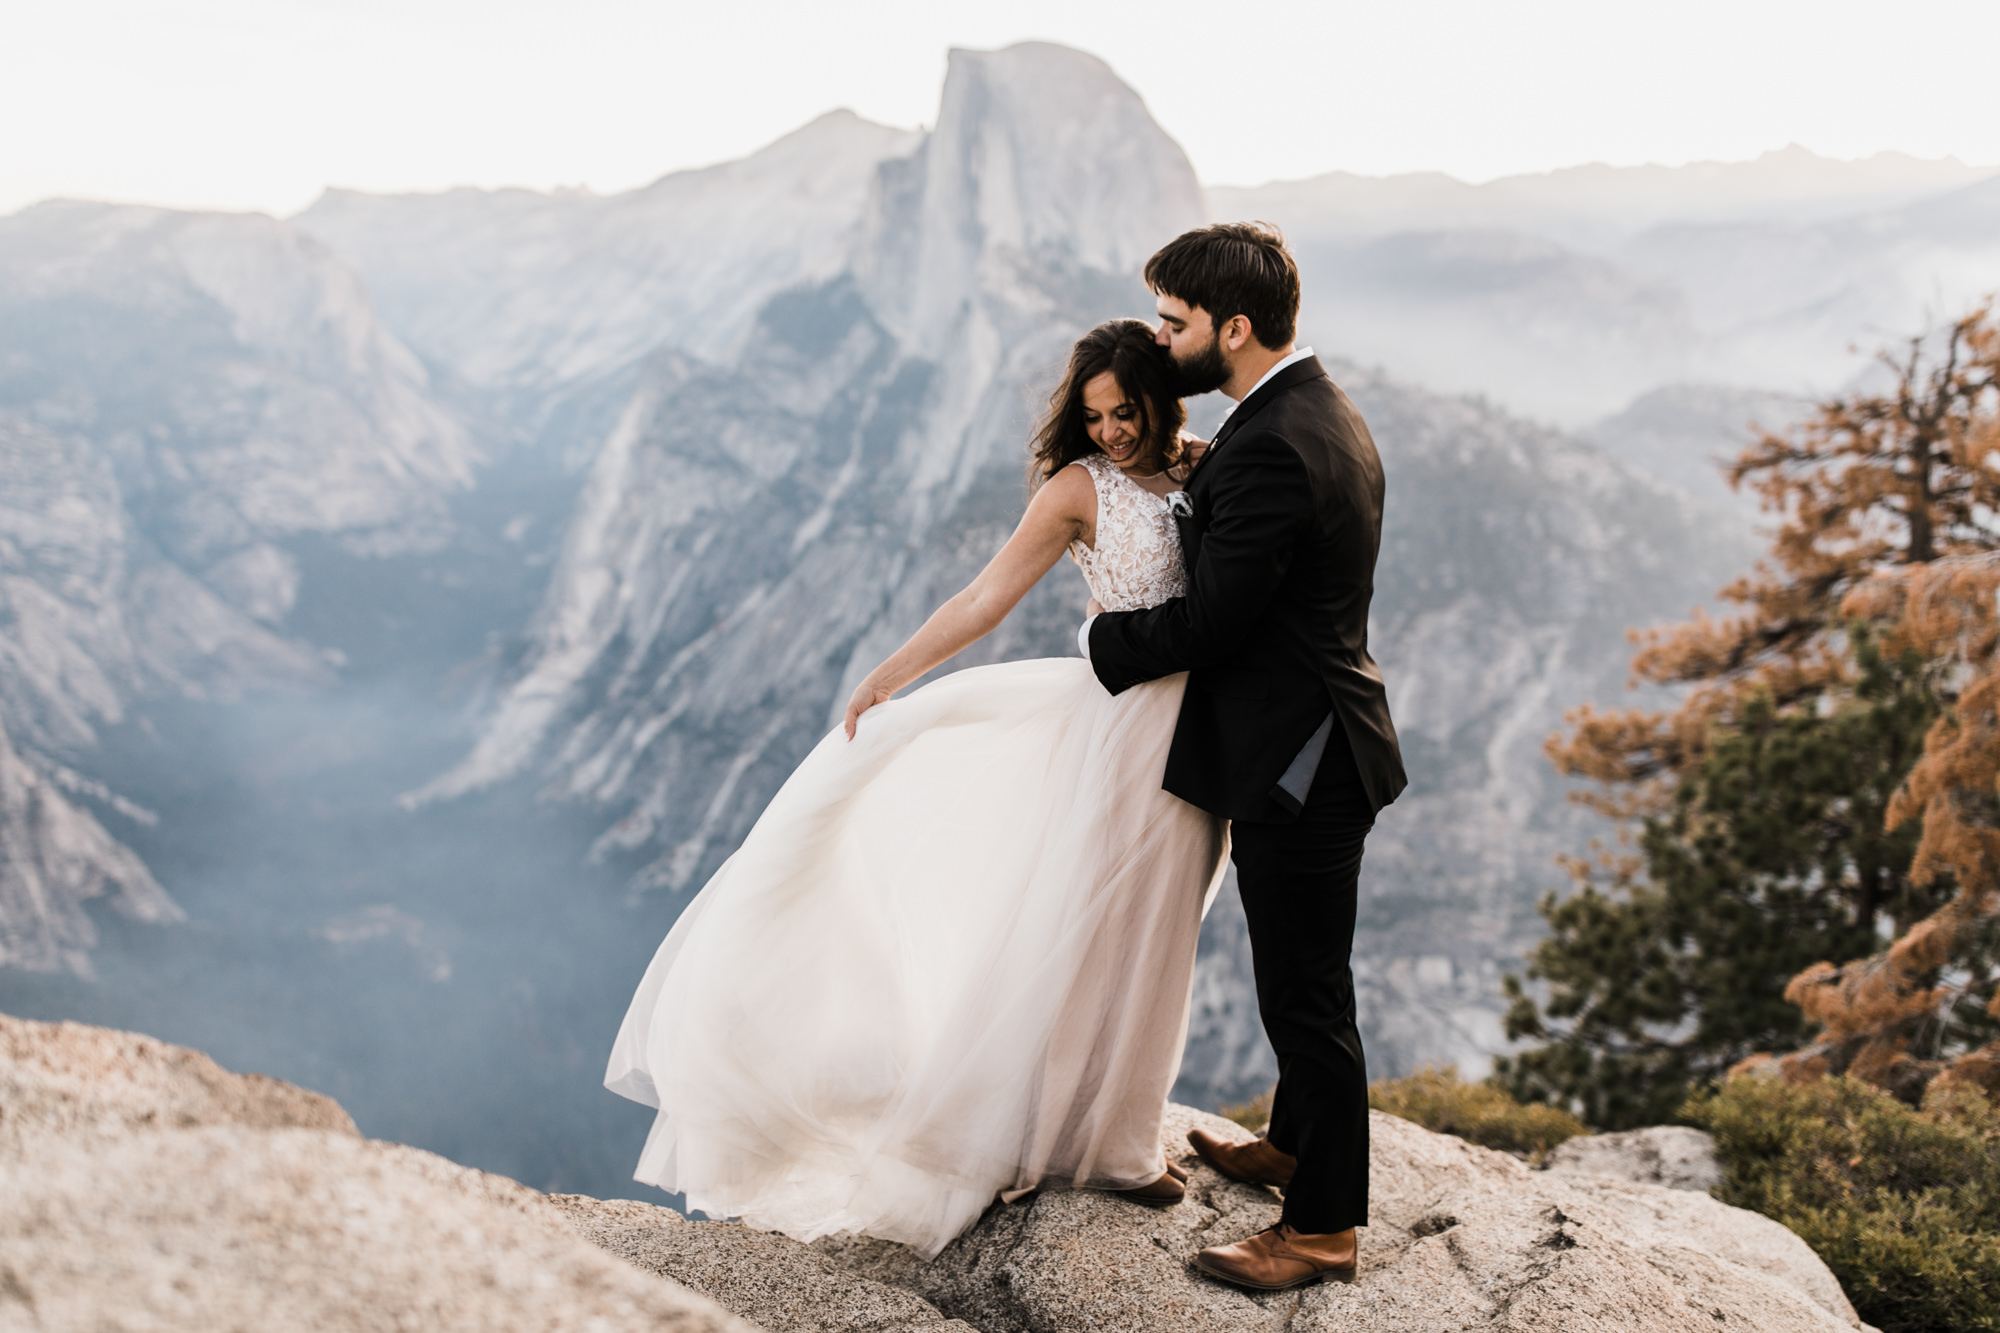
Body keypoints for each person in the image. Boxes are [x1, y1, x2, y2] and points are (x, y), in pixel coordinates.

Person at [605, 318, 1228, 1259]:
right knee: (1100, 927)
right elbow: (984, 597)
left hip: (1206, 735)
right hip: (1119, 736)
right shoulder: (1075, 490)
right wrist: (889, 673)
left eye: (1126, 411)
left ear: (1159, 399)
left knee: (1165, 930)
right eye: (1095, 416)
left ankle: (1112, 1127)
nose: (1112, 432)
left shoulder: (1204, 466)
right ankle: (1087, 1143)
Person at [1084, 222, 1406, 1291]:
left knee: (1307, 995)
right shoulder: (1306, 410)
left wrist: (1104, 642)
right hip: (1314, 739)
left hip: (1300, 757)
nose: (1158, 337)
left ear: (1230, 327)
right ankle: (1293, 1145)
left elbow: (1213, 622)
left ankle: (1321, 1229)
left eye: (1173, 323)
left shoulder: (1272, 438)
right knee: (1294, 977)